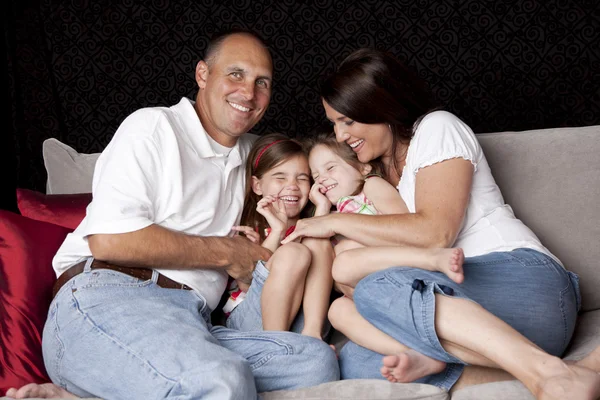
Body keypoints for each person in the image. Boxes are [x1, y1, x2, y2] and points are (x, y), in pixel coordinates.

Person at [5, 29, 338, 400]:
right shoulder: (153, 128)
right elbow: (110, 240)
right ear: (202, 75)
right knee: (220, 380)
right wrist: (230, 253)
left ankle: (98, 392)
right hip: (112, 298)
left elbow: (318, 170)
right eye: (236, 74)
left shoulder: (254, 156)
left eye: (263, 82)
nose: (249, 93)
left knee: (313, 361)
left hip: (193, 321)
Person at [282, 48, 600, 399]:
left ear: (381, 108)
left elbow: (435, 234)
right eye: (334, 124)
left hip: (527, 284)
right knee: (358, 360)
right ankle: (558, 372)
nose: (340, 136)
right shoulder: (383, 181)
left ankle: (547, 374)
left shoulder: (437, 128)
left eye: (347, 121)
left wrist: (335, 222)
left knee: (375, 290)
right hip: (486, 321)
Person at [304, 130, 463, 382]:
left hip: (404, 271)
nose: (323, 179)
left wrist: (348, 235)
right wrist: (322, 209)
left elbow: (403, 228)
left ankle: (434, 258)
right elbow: (317, 257)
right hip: (372, 298)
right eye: (316, 176)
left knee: (344, 256)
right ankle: (418, 355)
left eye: (331, 168)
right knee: (336, 310)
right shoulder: (332, 213)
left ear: (363, 168)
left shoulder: (370, 187)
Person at [223, 132, 334, 341]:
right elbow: (248, 283)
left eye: (302, 178)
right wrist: (277, 231)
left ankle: (312, 337)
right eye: (280, 177)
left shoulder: (316, 222)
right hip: (252, 318)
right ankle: (278, 345)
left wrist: (323, 208)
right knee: (293, 252)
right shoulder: (249, 231)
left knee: (317, 241)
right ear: (257, 186)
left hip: (307, 320)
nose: (292, 185)